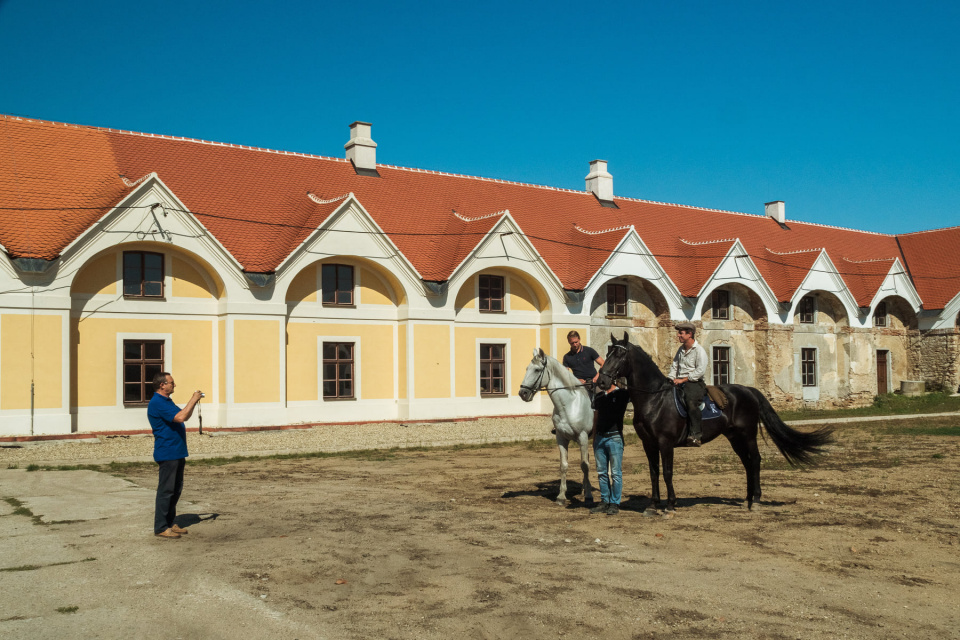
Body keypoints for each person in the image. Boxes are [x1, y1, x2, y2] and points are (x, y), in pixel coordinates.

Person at [148, 371, 203, 539]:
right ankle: (160, 527)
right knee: (166, 490)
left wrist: (193, 403)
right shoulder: (157, 402)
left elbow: (184, 414)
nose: (174, 385)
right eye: (171, 383)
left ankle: (170, 522)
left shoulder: (167, 401)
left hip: (177, 451)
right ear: (162, 385)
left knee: (176, 489)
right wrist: (193, 399)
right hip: (168, 452)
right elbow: (180, 418)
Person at [589, 383, 631, 515]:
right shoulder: (599, 397)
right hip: (600, 438)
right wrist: (594, 437)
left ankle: (614, 503)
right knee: (602, 472)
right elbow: (596, 417)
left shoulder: (622, 394)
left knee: (615, 473)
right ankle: (604, 501)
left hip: (614, 437)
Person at [667, 321, 709, 447]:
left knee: (690, 402)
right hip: (678, 381)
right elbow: (675, 366)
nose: (678, 336)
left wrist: (683, 379)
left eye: (681, 333)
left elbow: (700, 371)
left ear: (690, 334)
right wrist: (670, 378)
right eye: (678, 333)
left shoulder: (699, 350)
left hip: (694, 383)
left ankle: (696, 435)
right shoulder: (680, 350)